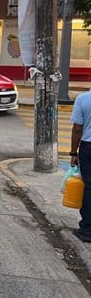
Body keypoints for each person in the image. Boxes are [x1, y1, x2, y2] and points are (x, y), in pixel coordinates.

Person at [69, 91, 91, 243]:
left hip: (88, 148)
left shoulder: (83, 99)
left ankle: (87, 230)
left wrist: (73, 153)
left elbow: (77, 128)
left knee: (89, 188)